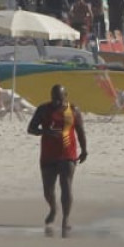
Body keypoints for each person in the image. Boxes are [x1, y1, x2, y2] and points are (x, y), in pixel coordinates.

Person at [28, 83, 87, 233]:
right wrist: (45, 131)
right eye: (54, 99)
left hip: (68, 154)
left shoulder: (73, 110)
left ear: (65, 96)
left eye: (59, 99)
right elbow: (31, 128)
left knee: (66, 186)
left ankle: (66, 219)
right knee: (48, 190)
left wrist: (84, 150)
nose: (56, 102)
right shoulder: (43, 109)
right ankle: (53, 209)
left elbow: (80, 131)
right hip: (48, 155)